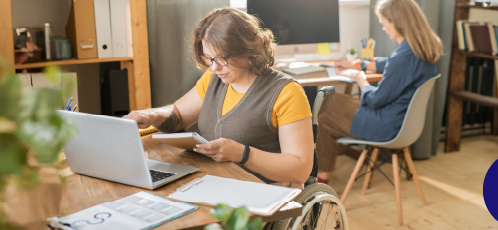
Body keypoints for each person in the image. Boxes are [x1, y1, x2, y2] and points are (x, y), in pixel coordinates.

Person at [122, 8, 314, 189]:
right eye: (208, 58)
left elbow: (300, 170)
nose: (213, 68)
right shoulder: (214, 79)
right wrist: (151, 116)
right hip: (216, 182)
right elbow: (178, 116)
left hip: (264, 190)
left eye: (221, 59)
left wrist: (243, 153)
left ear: (247, 50)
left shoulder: (286, 92)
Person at [316, 0, 443, 184]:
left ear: (396, 21)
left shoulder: (402, 58)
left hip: (386, 124)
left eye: (384, 23)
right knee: (327, 116)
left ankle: (319, 183)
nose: (383, 28)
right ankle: (321, 182)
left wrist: (361, 79)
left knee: (329, 104)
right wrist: (358, 64)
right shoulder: (424, 48)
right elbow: (390, 63)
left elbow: (375, 100)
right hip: (403, 122)